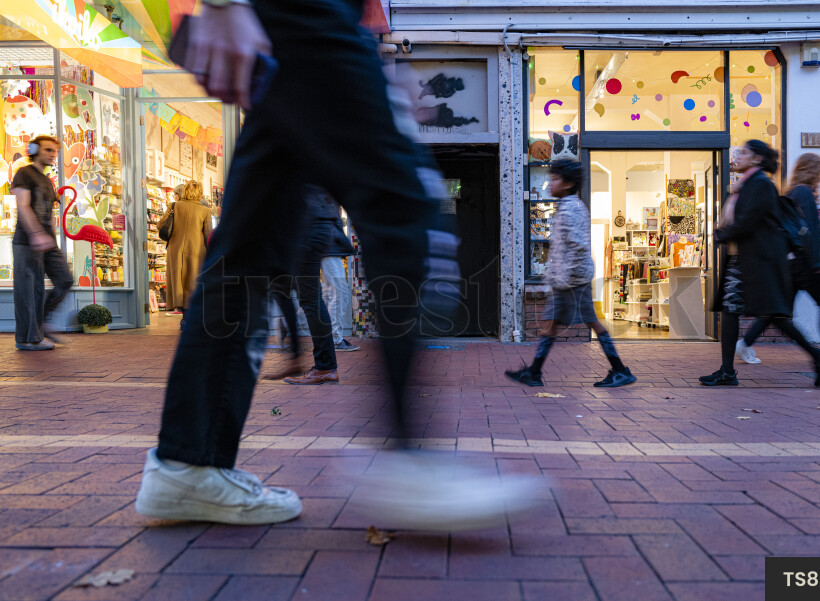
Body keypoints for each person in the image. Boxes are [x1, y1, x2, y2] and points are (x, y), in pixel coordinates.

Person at [135, 0, 536, 528]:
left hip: (305, 22)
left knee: (251, 243)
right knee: (404, 200)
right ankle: (406, 461)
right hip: (306, 16)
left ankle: (188, 462)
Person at [702, 140, 820, 387]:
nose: (739, 156)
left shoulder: (760, 185)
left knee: (774, 316)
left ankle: (818, 355)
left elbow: (747, 222)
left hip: (760, 262)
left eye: (745, 152)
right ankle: (727, 371)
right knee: (731, 310)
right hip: (743, 260)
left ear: (757, 159)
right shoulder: (745, 185)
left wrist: (721, 235)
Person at [504, 159, 636, 388]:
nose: (549, 184)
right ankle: (534, 372)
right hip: (564, 280)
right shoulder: (567, 207)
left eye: (554, 179)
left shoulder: (572, 208)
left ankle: (620, 369)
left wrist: (564, 280)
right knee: (550, 323)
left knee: (592, 322)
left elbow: (578, 247)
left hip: (573, 281)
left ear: (567, 184)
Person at [736, 153, 820, 368]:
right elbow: (810, 229)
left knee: (778, 310)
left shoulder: (793, 192)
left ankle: (745, 343)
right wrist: (819, 262)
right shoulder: (805, 193)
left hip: (791, 261)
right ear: (814, 171)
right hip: (806, 261)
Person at [265, 185, 342, 384]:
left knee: (310, 297)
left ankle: (325, 366)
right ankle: (297, 359)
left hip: (307, 226)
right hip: (311, 225)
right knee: (280, 285)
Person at [12, 135, 73, 351]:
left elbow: (49, 213)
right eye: (48, 150)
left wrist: (51, 236)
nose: (52, 154)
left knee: (65, 279)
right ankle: (27, 339)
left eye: (54, 151)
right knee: (29, 290)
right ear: (34, 149)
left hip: (48, 242)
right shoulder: (23, 173)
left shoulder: (47, 180)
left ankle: (42, 324)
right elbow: (23, 206)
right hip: (26, 241)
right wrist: (37, 233)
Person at [160, 180, 212, 317]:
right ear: (200, 193)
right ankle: (190, 316)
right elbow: (208, 233)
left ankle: (182, 313)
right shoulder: (205, 211)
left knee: (177, 280)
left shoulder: (173, 206)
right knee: (192, 280)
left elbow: (160, 225)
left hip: (175, 249)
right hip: (196, 250)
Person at [320, 193, 360, 352]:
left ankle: (289, 321)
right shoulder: (322, 192)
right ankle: (335, 339)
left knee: (328, 294)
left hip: (328, 248)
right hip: (327, 248)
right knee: (339, 292)